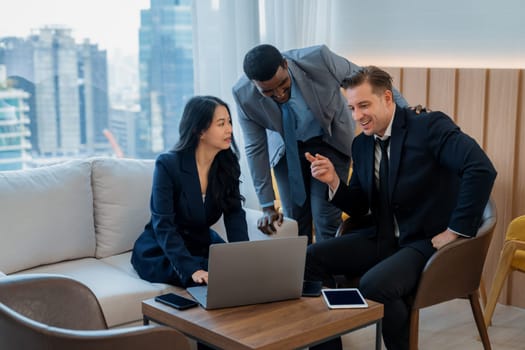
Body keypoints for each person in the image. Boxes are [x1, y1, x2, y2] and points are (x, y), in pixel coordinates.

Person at [304, 66, 497, 350]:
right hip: (381, 236)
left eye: (364, 105)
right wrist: (334, 181)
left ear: (387, 98)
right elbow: (359, 208)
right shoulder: (361, 145)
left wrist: (455, 230)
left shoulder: (430, 127)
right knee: (308, 259)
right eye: (352, 108)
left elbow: (480, 169)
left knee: (375, 285)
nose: (357, 116)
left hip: (426, 240)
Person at [233, 44, 408, 243]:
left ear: (285, 63)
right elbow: (255, 148)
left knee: (325, 216)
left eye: (283, 84)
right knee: (293, 221)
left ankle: (328, 271)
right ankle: (301, 273)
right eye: (268, 92)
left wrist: (406, 115)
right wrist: (266, 205)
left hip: (328, 138)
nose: (280, 94)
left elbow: (366, 81)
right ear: (253, 83)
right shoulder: (243, 95)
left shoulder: (319, 59)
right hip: (286, 148)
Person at [131, 95, 249, 288]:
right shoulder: (168, 165)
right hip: (163, 249)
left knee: (241, 272)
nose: (229, 129)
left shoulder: (227, 164)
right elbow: (163, 225)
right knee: (214, 278)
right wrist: (192, 269)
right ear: (199, 130)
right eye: (221, 124)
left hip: (201, 243)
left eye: (229, 122)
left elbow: (234, 214)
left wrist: (244, 256)